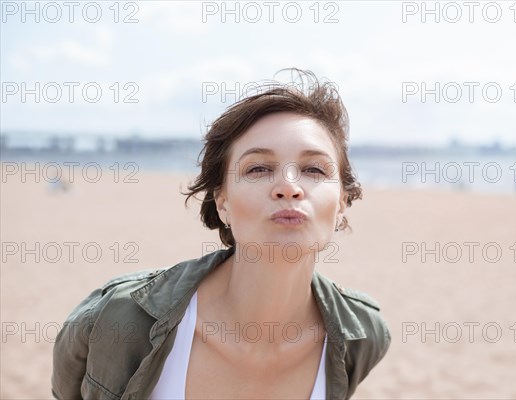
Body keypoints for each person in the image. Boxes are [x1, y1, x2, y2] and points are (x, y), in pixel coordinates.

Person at [51, 69, 391, 399]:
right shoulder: (118, 321)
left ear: (343, 202)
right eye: (258, 168)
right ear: (222, 201)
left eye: (314, 169)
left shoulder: (361, 336)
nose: (289, 187)